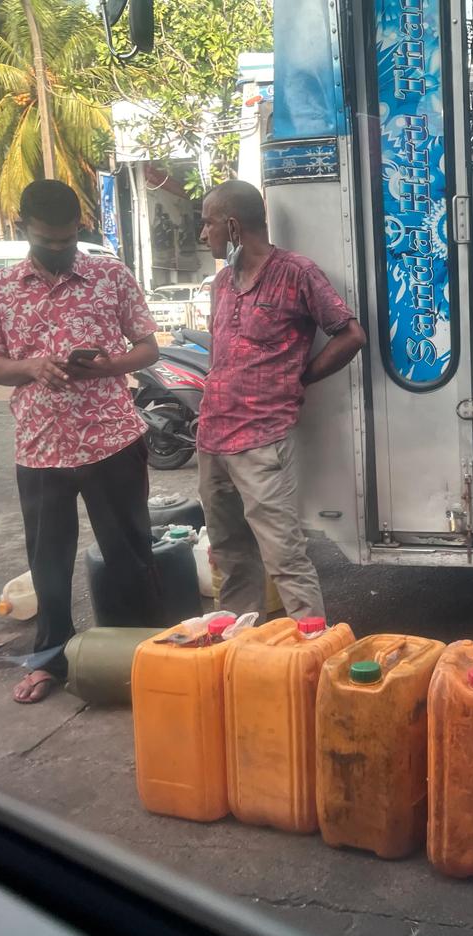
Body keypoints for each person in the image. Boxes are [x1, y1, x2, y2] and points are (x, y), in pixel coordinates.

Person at [0, 179, 165, 704]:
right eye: (47, 240)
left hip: (111, 439)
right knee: (47, 562)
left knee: (130, 554)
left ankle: (143, 660)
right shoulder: (3, 287)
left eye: (67, 240)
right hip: (40, 448)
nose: (59, 250)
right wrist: (32, 366)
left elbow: (147, 348)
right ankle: (49, 661)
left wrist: (109, 365)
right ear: (24, 229)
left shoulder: (109, 273)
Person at [196, 180, 366, 621]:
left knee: (284, 558)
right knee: (230, 555)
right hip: (212, 439)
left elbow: (350, 335)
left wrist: (299, 378)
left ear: (232, 225)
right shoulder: (221, 284)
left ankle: (308, 653)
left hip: (262, 440)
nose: (203, 234)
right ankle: (240, 647)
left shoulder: (296, 273)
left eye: (207, 223)